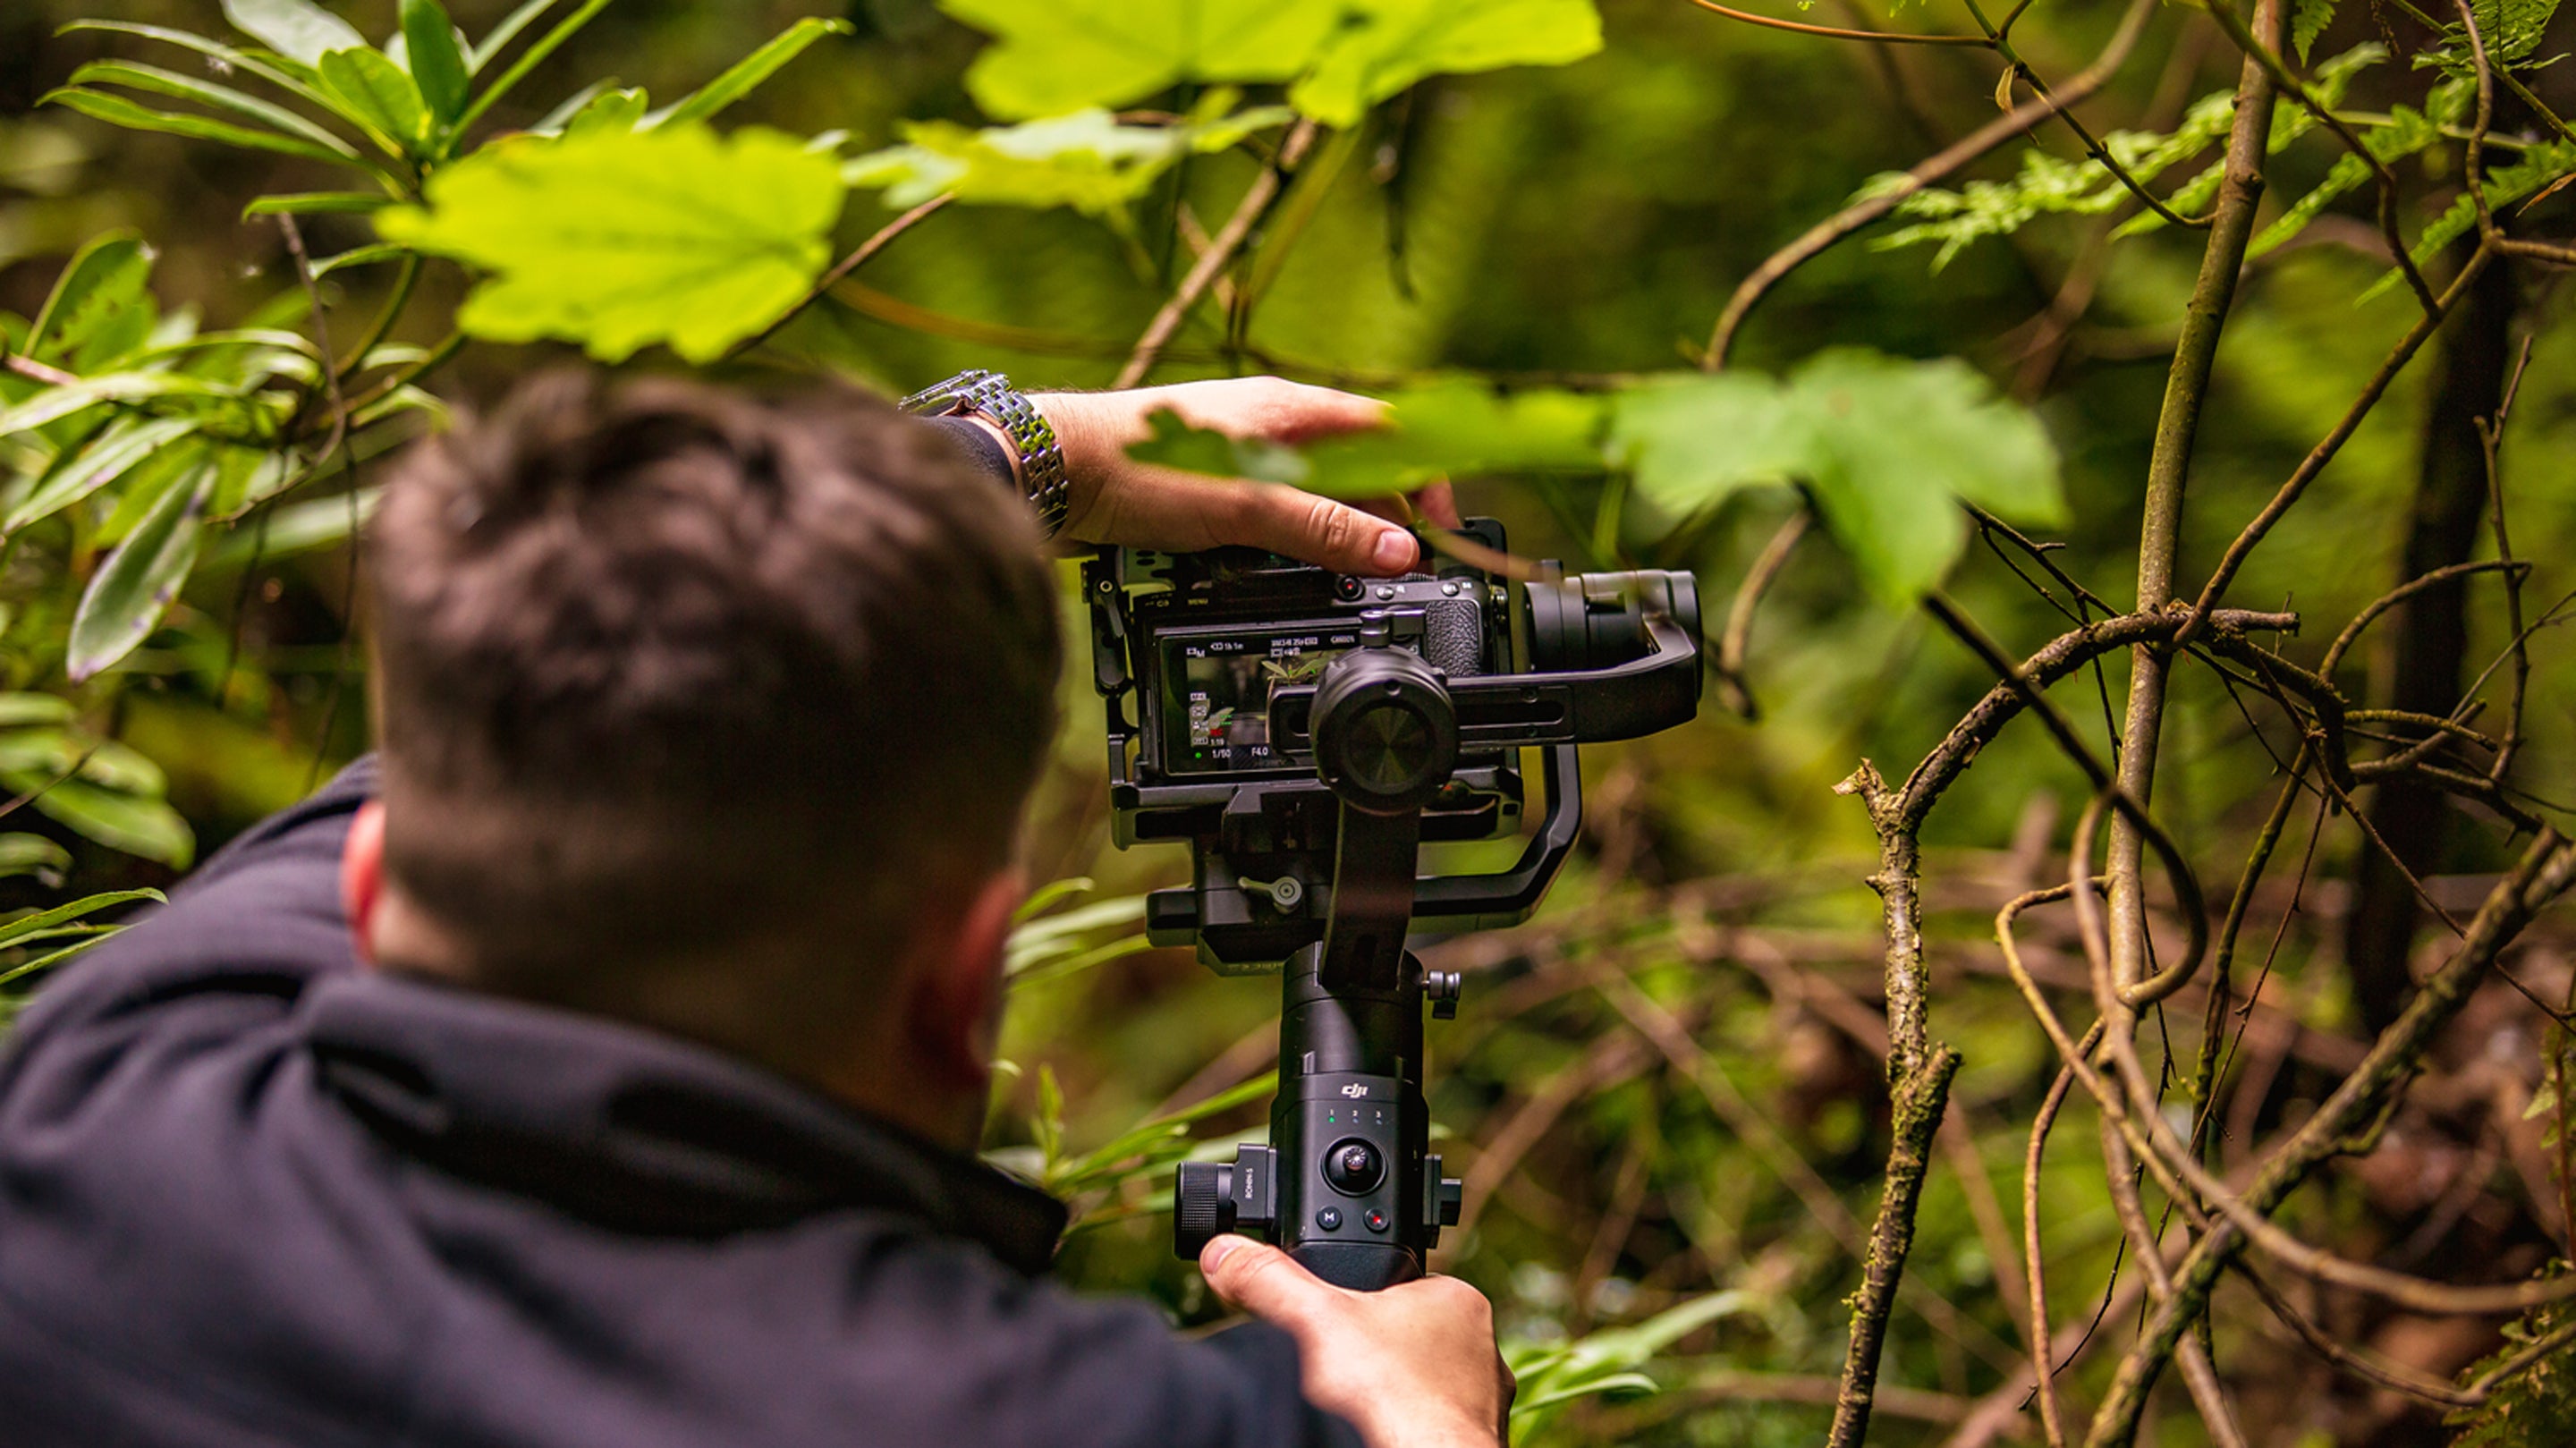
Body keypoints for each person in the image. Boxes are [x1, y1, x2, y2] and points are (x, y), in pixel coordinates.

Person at [0, 369, 1513, 1448]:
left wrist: (1015, 452)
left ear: (367, 887)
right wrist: (1424, 1423)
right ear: (964, 981)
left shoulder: (92, 1132)